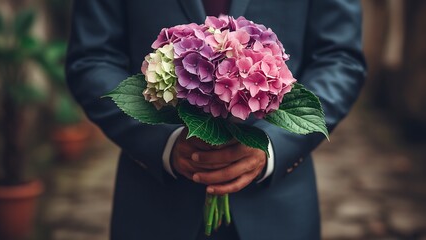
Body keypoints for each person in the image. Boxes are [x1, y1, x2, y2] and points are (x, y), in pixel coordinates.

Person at [66, 0, 366, 239]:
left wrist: (276, 143)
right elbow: (91, 59)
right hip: (155, 206)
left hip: (278, 207)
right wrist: (163, 143)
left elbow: (340, 58)